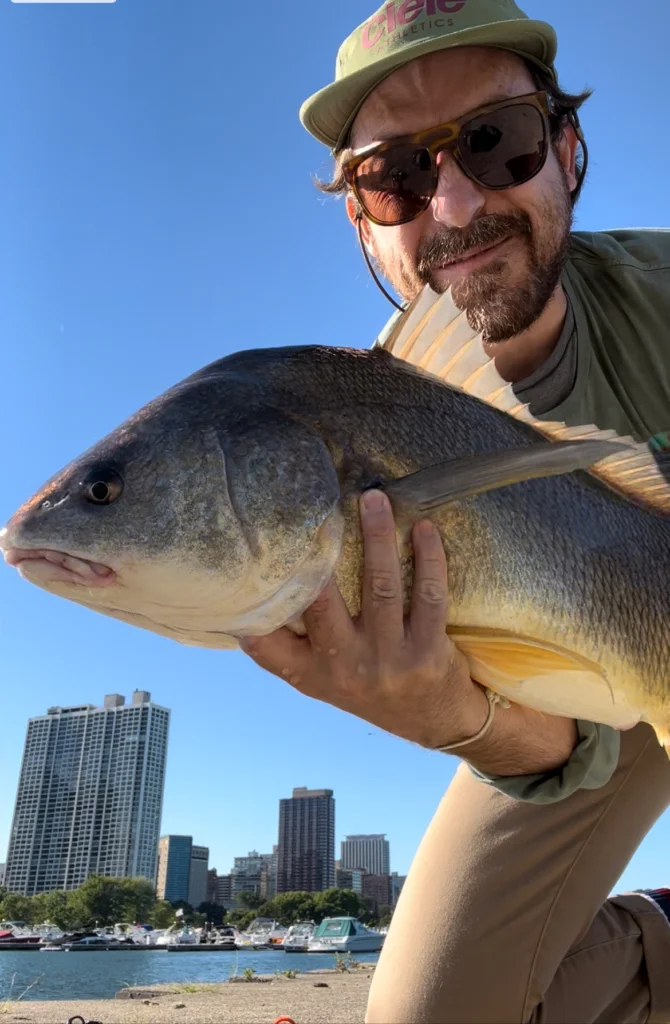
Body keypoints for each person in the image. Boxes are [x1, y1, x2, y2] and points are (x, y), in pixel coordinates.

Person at [240, 1, 670, 1020]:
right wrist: (467, 723)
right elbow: (557, 740)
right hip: (578, 693)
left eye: (497, 141)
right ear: (360, 217)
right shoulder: (356, 448)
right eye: (394, 175)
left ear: (565, 148)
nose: (455, 201)